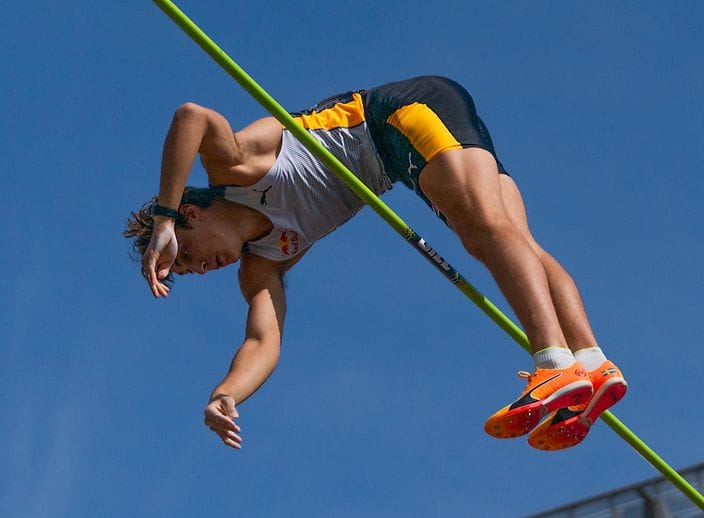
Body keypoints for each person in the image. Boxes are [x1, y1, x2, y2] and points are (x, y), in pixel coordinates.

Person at [125, 76, 627, 451]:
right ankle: (591, 363)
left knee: (485, 234)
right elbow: (263, 340)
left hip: (399, 116)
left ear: (191, 212)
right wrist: (226, 393)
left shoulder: (235, 166)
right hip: (402, 158)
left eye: (187, 254)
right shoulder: (263, 264)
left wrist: (162, 219)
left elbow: (190, 115)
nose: (202, 267)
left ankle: (553, 364)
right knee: (518, 243)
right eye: (191, 272)